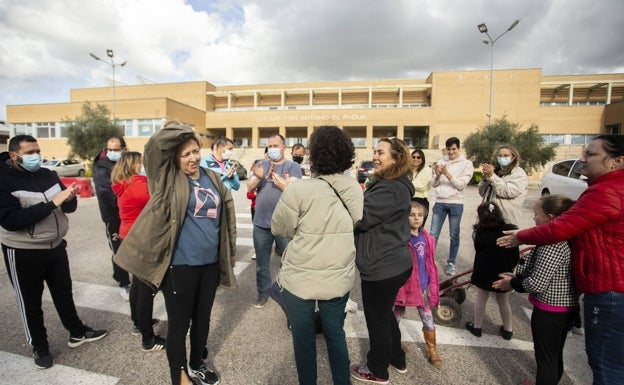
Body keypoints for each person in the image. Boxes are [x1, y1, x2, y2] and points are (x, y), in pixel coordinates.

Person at [114, 122, 237, 385]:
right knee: (179, 324)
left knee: (202, 320)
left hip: (210, 264)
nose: (192, 158)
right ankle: (179, 375)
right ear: (175, 158)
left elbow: (227, 213)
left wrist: (231, 250)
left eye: (195, 151)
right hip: (180, 266)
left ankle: (196, 364)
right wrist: (184, 129)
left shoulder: (211, 177)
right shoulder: (166, 179)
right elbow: (154, 147)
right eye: (185, 154)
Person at [497, 134, 624, 385]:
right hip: (600, 293)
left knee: (605, 366)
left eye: (591, 154)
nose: (582, 158)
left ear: (616, 161)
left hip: (609, 292)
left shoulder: (608, 191)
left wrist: (519, 239)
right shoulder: (606, 189)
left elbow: (558, 230)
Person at [0, 135, 107, 369]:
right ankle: (39, 346)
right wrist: (52, 203)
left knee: (63, 293)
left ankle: (76, 332)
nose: (35, 156)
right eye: (29, 153)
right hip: (23, 250)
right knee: (30, 301)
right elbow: (10, 220)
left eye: (37, 151)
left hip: (55, 246)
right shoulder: (4, 180)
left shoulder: (48, 174)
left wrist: (69, 199)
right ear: (13, 155)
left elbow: (66, 207)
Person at [272, 125, 363, 385]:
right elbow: (356, 220)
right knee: (336, 333)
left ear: (315, 154)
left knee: (304, 338)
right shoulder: (354, 188)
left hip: (300, 276)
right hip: (338, 274)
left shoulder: (298, 189)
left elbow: (280, 228)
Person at [493, 195, 578, 385]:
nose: (533, 218)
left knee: (546, 360)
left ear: (550, 217)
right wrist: (516, 277)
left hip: (551, 311)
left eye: (536, 214)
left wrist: (511, 284)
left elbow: (537, 284)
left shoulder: (552, 244)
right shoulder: (565, 237)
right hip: (565, 308)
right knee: (554, 355)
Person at [351, 137, 414, 385]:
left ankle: (377, 370)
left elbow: (363, 218)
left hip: (382, 266)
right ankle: (396, 358)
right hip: (393, 261)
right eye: (374, 151)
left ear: (397, 158)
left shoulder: (390, 188)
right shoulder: (394, 183)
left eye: (381, 152)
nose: (375, 156)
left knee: (377, 319)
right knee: (385, 315)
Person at [111, 151, 165, 352]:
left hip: (127, 236)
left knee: (136, 285)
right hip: (142, 238)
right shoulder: (140, 184)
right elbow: (161, 200)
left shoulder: (122, 184)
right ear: (134, 165)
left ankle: (138, 322)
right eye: (141, 163)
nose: (145, 165)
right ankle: (148, 339)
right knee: (146, 289)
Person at [246, 134, 302, 308]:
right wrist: (260, 175)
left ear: (284, 147)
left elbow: (292, 189)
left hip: (284, 224)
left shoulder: (293, 166)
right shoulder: (260, 164)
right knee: (262, 263)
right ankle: (263, 292)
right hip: (261, 223)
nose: (272, 149)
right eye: (269, 146)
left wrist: (276, 180)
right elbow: (249, 187)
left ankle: (290, 293)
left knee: (290, 261)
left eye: (275, 145)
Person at [394, 200, 441, 367]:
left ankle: (432, 350)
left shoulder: (427, 237)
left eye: (420, 215)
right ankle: (394, 343)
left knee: (427, 318)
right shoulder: (402, 237)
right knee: (396, 316)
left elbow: (429, 262)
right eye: (412, 215)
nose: (416, 218)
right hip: (405, 286)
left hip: (421, 286)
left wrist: (430, 284)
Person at [464, 202, 519, 340]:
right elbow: (515, 256)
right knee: (503, 299)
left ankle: (477, 327)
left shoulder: (480, 232)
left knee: (482, 298)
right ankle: (508, 329)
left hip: (483, 271)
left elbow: (478, 249)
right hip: (503, 272)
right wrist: (511, 267)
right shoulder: (509, 231)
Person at [93, 135, 131, 300]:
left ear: (123, 149)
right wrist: (129, 202)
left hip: (128, 214)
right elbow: (107, 194)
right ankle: (123, 283)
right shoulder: (102, 167)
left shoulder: (125, 164)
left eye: (116, 149)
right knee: (118, 249)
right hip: (113, 216)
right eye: (110, 149)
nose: (113, 152)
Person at [430, 137, 474, 276]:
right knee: (433, 234)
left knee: (454, 234)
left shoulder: (466, 164)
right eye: (448, 149)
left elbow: (461, 185)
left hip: (455, 203)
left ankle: (451, 262)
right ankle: (428, 260)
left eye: (453, 149)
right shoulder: (441, 162)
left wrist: (446, 173)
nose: (451, 152)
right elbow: (434, 184)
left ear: (458, 149)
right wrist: (437, 175)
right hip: (440, 202)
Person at [478, 144, 528, 225]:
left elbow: (508, 192)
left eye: (506, 155)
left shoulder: (518, 173)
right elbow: (482, 193)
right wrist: (485, 180)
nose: (502, 158)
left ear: (513, 157)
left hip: (505, 218)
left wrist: (492, 177)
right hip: (488, 216)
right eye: (500, 156)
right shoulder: (496, 172)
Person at [410, 149, 432, 213]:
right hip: (408, 200)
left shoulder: (427, 170)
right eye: (413, 157)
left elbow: (423, 187)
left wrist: (408, 184)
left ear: (422, 159)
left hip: (421, 201)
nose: (415, 159)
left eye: (418, 157)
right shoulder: (407, 171)